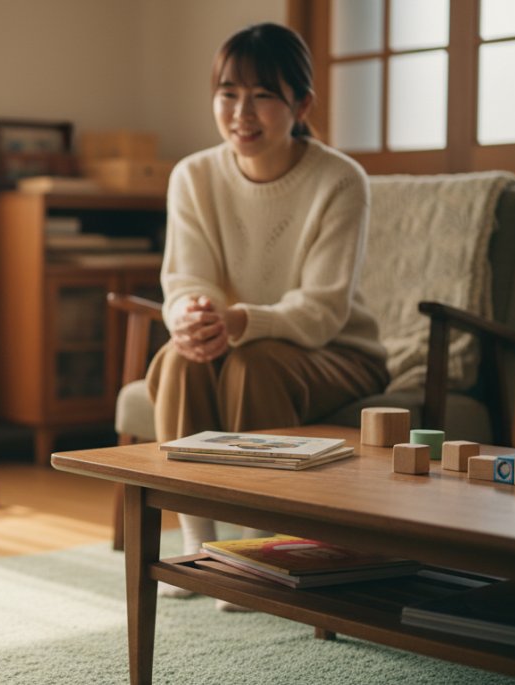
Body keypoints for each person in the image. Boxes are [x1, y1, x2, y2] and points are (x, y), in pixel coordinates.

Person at [148, 23, 389, 603]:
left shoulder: (339, 179)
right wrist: (190, 316)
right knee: (179, 361)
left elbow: (323, 309)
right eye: (228, 93)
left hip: (338, 352)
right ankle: (196, 542)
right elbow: (185, 279)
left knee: (253, 364)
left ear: (301, 103)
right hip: (233, 341)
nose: (241, 113)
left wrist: (239, 322)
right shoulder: (194, 175)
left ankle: (255, 555)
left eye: (263, 95)